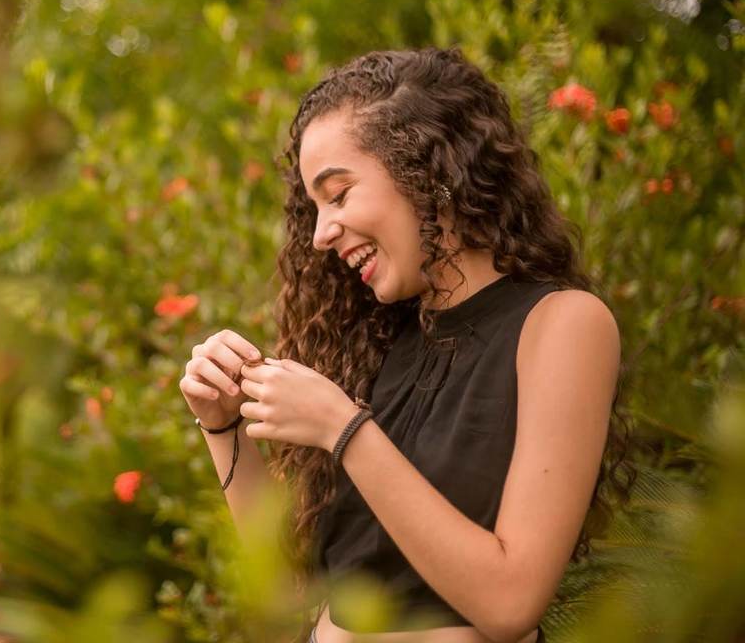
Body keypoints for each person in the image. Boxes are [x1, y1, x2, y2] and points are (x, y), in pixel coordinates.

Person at [179, 48, 635, 643]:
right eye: (313, 209)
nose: (319, 235)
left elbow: (510, 602)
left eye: (338, 195)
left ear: (431, 173)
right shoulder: (369, 342)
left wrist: (344, 430)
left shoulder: (562, 325)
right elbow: (290, 593)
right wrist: (223, 428)